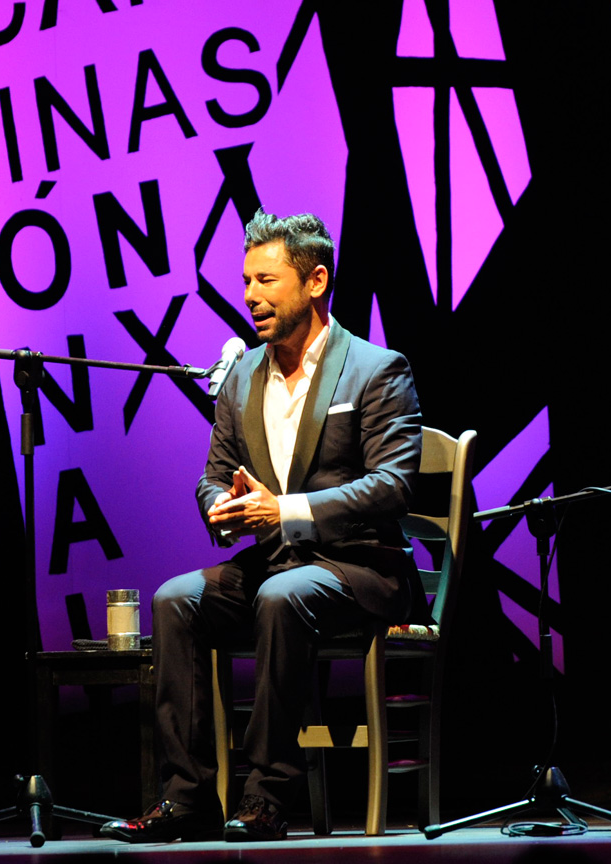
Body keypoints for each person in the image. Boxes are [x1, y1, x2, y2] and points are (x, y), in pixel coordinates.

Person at [100, 212, 424, 843]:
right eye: (246, 279)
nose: (250, 295)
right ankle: (186, 799)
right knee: (174, 601)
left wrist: (287, 508)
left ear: (315, 281)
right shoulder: (243, 375)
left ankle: (266, 797)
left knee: (281, 597)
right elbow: (212, 474)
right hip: (279, 564)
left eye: (267, 280)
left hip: (360, 569)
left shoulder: (377, 369)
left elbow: (394, 485)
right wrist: (221, 504)